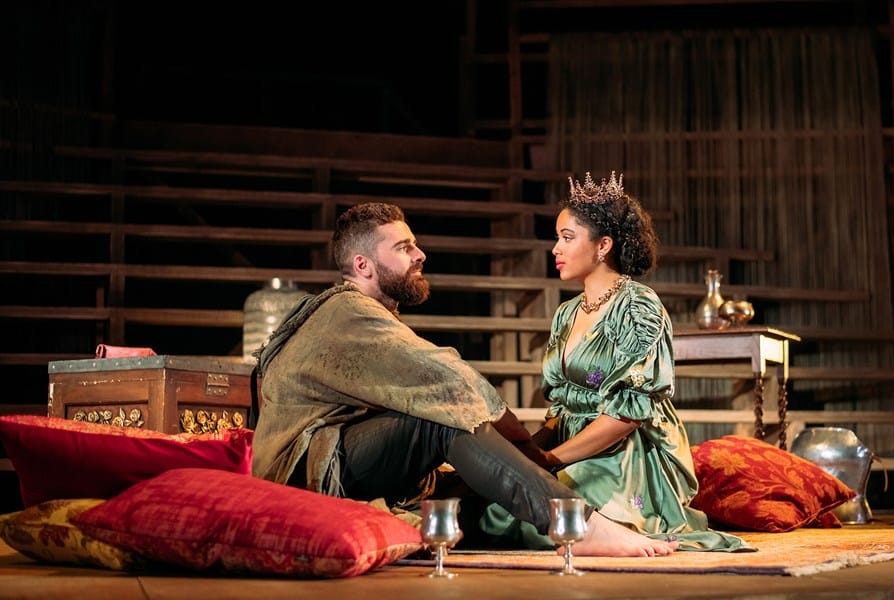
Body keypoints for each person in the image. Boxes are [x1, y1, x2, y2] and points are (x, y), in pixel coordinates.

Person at [250, 201, 679, 557]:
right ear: (362, 264)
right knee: (444, 417)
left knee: (477, 484)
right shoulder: (348, 312)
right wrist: (530, 450)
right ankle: (576, 523)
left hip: (347, 459)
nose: (419, 255)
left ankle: (530, 517)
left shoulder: (634, 303)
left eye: (415, 244)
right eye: (403, 248)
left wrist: (524, 456)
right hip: (313, 470)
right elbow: (450, 380)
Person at [478, 172, 752, 552]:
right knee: (497, 510)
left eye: (567, 237)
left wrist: (550, 459)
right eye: (557, 237)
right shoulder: (566, 313)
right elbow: (560, 409)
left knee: (558, 520)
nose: (555, 249)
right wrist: (528, 455)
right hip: (569, 444)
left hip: (626, 454)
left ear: (603, 245)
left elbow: (627, 416)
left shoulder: (639, 307)